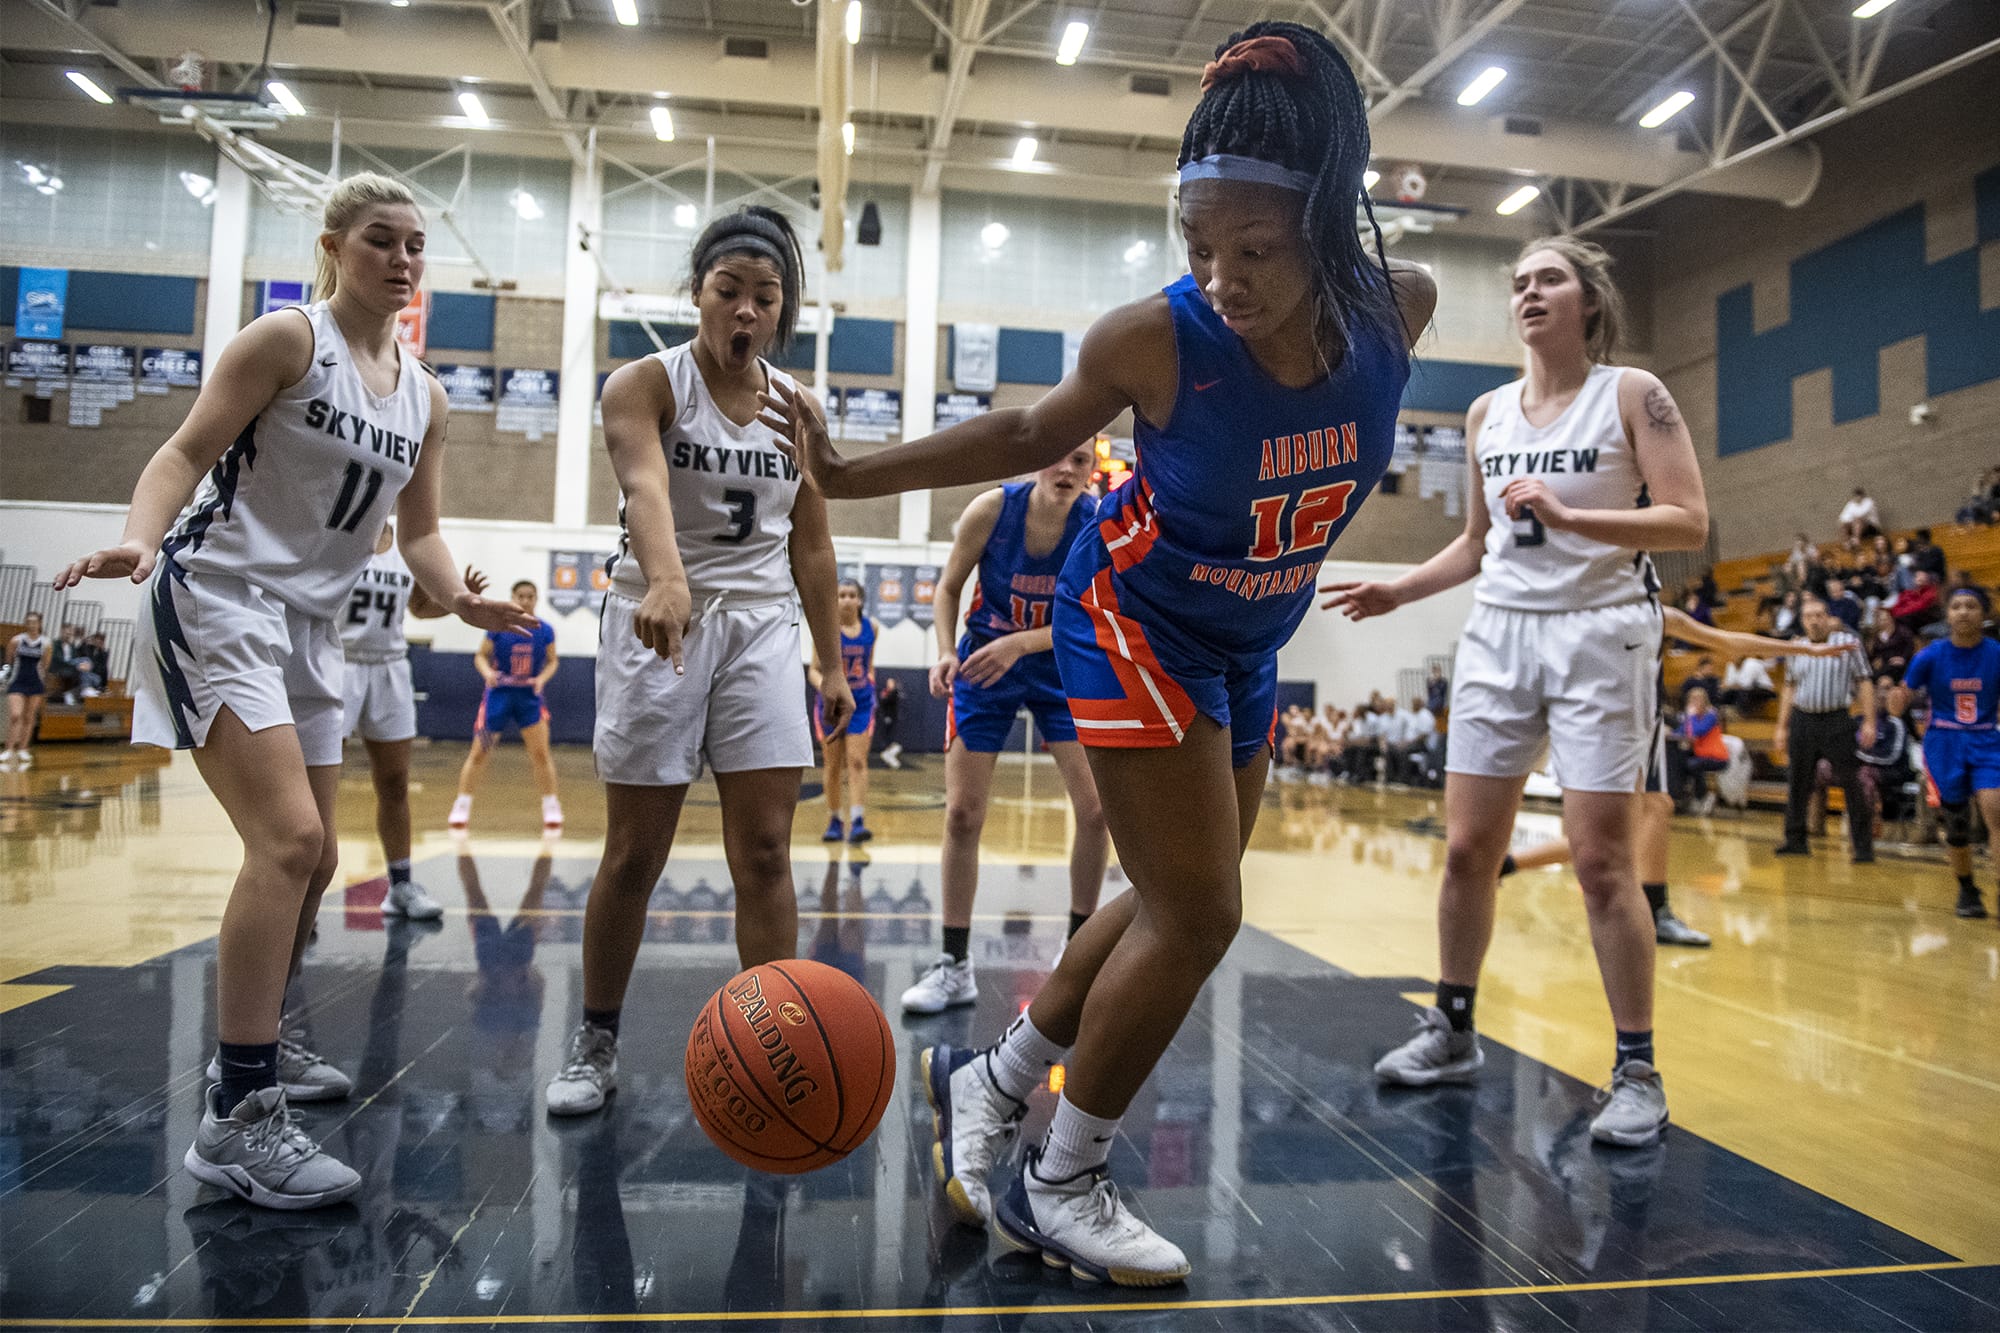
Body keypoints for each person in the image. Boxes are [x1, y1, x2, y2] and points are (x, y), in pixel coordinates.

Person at [761, 20, 1432, 1284]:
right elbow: (1025, 427)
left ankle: (993, 1079)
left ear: (1330, 227)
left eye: (1255, 250)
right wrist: (850, 473)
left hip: (1246, 636)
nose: (1222, 276)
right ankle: (1056, 1178)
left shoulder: (1400, 311)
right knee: (1199, 913)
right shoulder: (1157, 339)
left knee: (1178, 894)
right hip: (1131, 615)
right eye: (1197, 246)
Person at [54, 171, 531, 1209]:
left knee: (313, 861)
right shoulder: (284, 342)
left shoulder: (425, 394)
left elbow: (422, 535)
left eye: (414, 244)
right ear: (333, 247)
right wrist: (139, 538)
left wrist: (460, 597)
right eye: (380, 240)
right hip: (221, 594)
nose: (402, 259)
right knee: (288, 843)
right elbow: (185, 451)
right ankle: (239, 1117)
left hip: (310, 625)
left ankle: (274, 1037)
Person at [1327, 231, 1706, 1148]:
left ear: (1588, 299)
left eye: (1549, 279)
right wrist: (1397, 588)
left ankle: (1637, 1068)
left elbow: (1688, 520)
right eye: (1519, 283)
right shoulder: (1487, 412)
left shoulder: (1633, 394)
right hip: (1499, 633)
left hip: (1600, 633)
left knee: (1601, 861)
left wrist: (1575, 514)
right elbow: (1474, 542)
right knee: (1467, 850)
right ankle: (1453, 1027)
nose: (1529, 294)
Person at [544, 206, 853, 1118]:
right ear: (698, 296)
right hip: (659, 619)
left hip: (760, 626)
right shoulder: (646, 384)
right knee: (636, 851)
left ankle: (775, 1042)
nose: (747, 311)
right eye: (729, 292)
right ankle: (597, 1035)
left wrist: (831, 664)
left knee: (765, 849)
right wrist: (667, 581)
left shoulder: (797, 406)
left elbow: (815, 546)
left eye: (766, 296)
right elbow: (644, 485)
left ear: (783, 308)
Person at [898, 444, 1109, 1016]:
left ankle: (1078, 957)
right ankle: (953, 966)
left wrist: (1021, 643)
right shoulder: (991, 510)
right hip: (983, 662)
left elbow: (1094, 617)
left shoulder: (1099, 523)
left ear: (1092, 470)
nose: (1067, 470)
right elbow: (947, 588)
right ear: (1037, 460)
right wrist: (943, 652)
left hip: (1058, 664)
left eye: (1082, 461)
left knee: (1095, 812)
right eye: (1059, 457)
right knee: (963, 813)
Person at [1498, 606, 1848, 948]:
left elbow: (1727, 642)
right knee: (1627, 825)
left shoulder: (1651, 611)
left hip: (1641, 728)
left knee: (1638, 820)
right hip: (1597, 729)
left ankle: (1510, 867)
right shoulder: (1577, 613)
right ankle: (1649, 909)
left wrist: (1801, 648)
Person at [344, 520, 486, 919]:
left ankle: (401, 886)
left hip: (389, 666)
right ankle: (302, 895)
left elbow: (421, 607)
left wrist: (462, 600)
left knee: (394, 782)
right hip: (337, 661)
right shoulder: (340, 527)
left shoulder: (407, 542)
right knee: (318, 784)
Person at [1903, 587, 2000, 918]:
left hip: (1986, 739)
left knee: (1995, 810)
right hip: (1944, 742)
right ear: (1947, 615)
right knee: (1956, 823)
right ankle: (1967, 888)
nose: (1962, 612)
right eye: (1956, 606)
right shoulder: (1930, 655)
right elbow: (1903, 695)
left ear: (1983, 613)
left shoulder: (1995, 653)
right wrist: (1894, 700)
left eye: (1970, 606)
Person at [447, 581, 562, 832]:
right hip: (499, 696)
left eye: (530, 596)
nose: (525, 600)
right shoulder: (498, 627)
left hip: (529, 698)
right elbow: (480, 656)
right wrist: (488, 672)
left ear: (536, 599)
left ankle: (551, 805)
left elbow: (553, 661)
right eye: (520, 596)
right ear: (512, 597)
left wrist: (542, 679)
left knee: (540, 754)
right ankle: (462, 804)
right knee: (480, 752)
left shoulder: (545, 630)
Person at [1773, 595, 1876, 861]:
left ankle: (1863, 847)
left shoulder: (1848, 644)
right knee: (1797, 781)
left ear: (1829, 617)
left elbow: (1864, 681)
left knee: (1852, 783)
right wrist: (1781, 727)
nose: (1815, 620)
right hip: (1802, 719)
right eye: (1809, 616)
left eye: (1819, 615)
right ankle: (1795, 839)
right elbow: (1789, 686)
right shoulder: (1797, 647)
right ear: (1803, 621)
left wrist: (1870, 720)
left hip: (1837, 720)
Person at [811, 577, 878, 843]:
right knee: (833, 764)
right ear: (834, 600)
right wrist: (827, 687)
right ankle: (835, 820)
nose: (847, 599)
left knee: (858, 760)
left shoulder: (871, 628)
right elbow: (814, 671)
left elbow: (870, 664)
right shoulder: (825, 630)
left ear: (860, 600)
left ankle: (858, 819)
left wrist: (871, 683)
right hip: (832, 705)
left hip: (861, 702)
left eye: (852, 595)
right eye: (841, 595)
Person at [3, 611, 49, 765]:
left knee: (29, 717)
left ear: (40, 624)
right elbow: (8, 660)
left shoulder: (46, 643)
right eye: (29, 621)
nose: (31, 624)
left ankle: (23, 748)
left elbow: (45, 665)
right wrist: (5, 677)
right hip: (18, 681)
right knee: (16, 715)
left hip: (35, 682)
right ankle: (8, 749)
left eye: (34, 622)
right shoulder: (16, 640)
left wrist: (41, 680)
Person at [1678, 687, 1729, 814]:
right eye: (1692, 699)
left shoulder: (1711, 715)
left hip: (1717, 757)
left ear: (1705, 701)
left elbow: (1698, 731)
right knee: (1680, 762)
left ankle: (1703, 796)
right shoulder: (1692, 717)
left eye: (1698, 699)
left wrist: (1690, 717)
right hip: (1701, 755)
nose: (1695, 702)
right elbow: (1680, 731)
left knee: (1692, 765)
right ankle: (1687, 796)